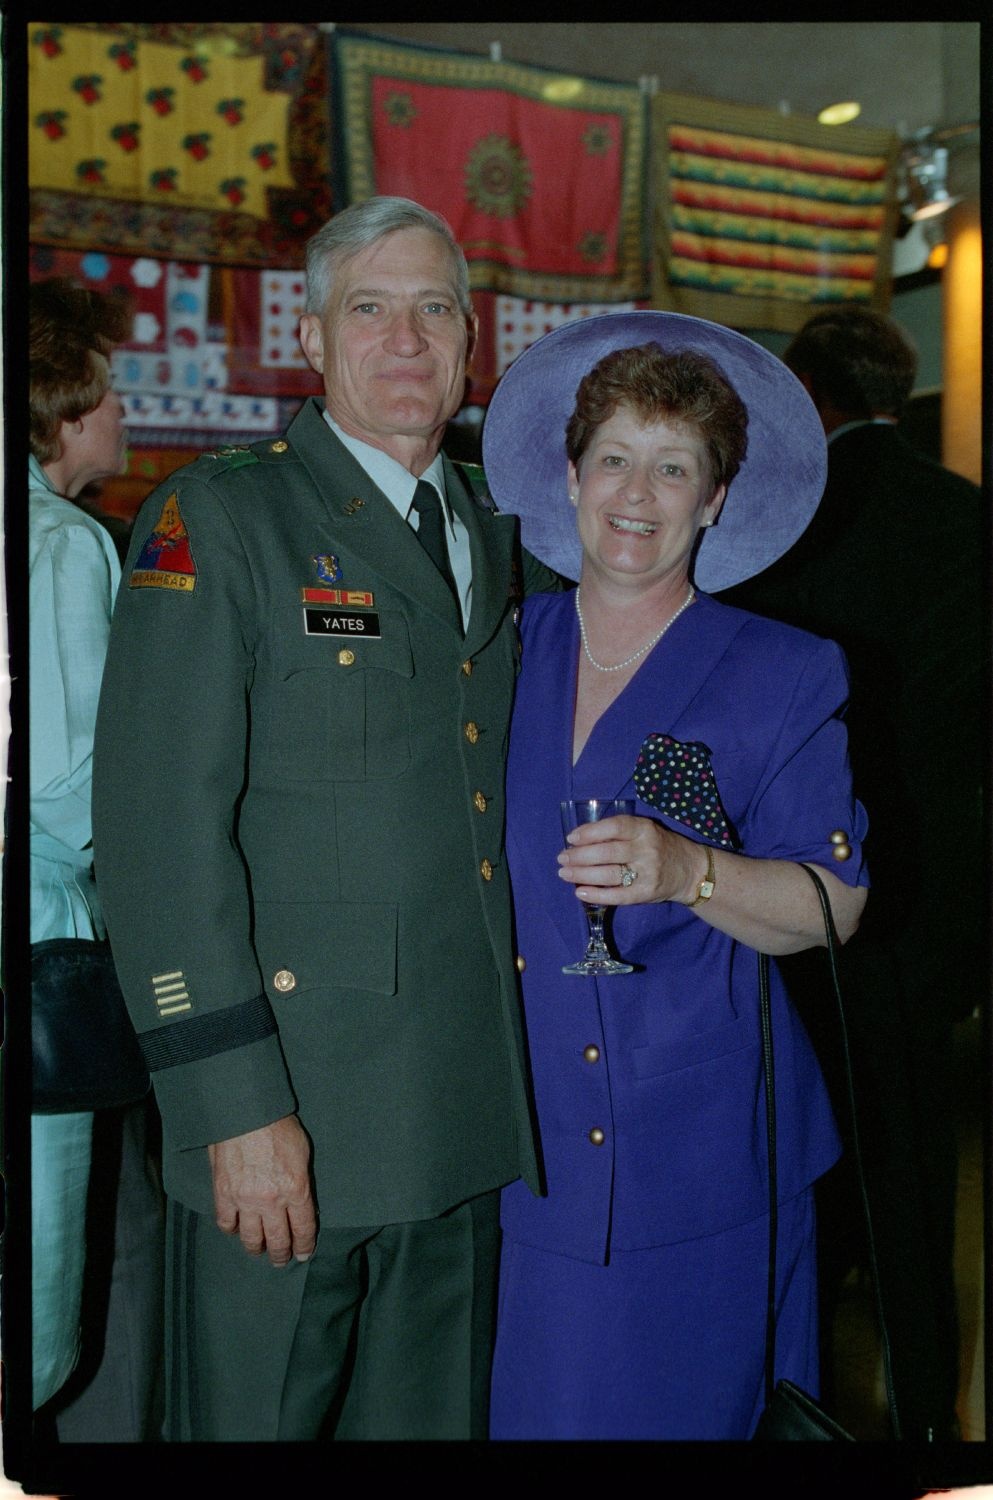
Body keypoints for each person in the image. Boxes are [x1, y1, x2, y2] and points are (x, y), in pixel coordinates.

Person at [91, 196, 560, 1442]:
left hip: (459, 1122)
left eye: (436, 311)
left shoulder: (500, 532)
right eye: (371, 308)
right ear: (313, 337)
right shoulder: (226, 519)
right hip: (289, 1122)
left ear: (473, 347)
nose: (407, 340)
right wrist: (233, 1109)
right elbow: (154, 841)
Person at [478, 311, 869, 1440]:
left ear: (714, 498)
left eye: (673, 466)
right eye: (614, 458)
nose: (636, 494)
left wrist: (690, 869)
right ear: (569, 476)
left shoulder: (782, 672)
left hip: (707, 1162)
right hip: (526, 1153)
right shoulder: (499, 649)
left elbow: (832, 906)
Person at [723, 306, 984, 1441]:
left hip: (808, 887)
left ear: (805, 392)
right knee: (921, 1172)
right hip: (941, 902)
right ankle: (934, 1416)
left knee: (804, 1150)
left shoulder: (791, 518)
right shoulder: (968, 517)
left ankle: (803, 1400)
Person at [29, 277, 165, 1437]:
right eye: (112, 395)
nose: (124, 416)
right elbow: (75, 795)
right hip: (37, 954)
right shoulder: (65, 546)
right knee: (34, 1302)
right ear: (60, 409)